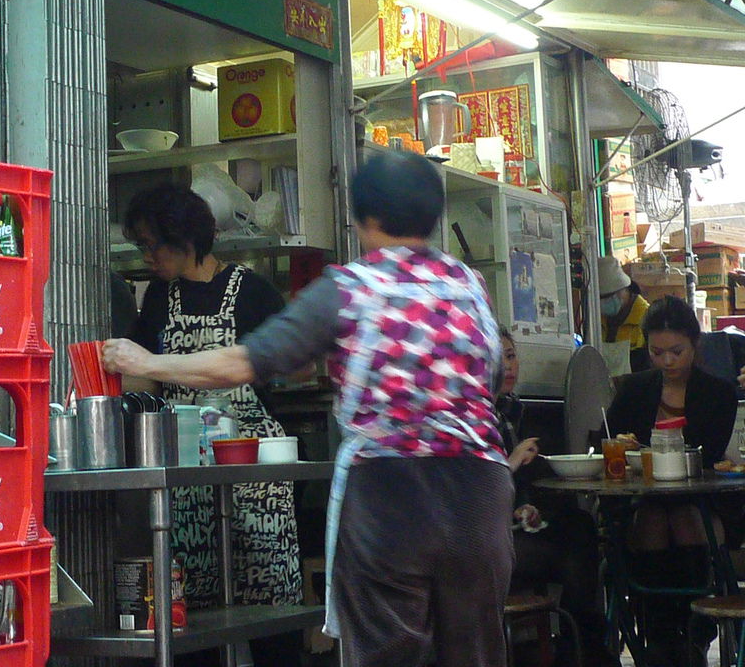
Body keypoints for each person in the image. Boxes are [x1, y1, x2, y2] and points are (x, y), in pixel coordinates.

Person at [105, 151, 514, 667]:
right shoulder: (471, 286)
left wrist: (148, 361)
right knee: (476, 652)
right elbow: (491, 377)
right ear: (433, 216)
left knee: (389, 651)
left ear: (363, 218)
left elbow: (243, 363)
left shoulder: (348, 288)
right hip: (480, 493)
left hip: (393, 495)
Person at [121, 182, 302, 667]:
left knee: (268, 599)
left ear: (182, 237)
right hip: (186, 473)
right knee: (191, 607)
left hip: (252, 472)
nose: (146, 255)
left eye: (149, 242)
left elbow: (291, 364)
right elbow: (146, 377)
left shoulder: (252, 291)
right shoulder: (159, 298)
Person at [607, 294, 738, 667]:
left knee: (680, 516)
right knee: (652, 517)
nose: (667, 361)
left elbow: (709, 452)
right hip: (642, 499)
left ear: (695, 344)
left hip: (698, 499)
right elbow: (606, 440)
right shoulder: (633, 390)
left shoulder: (718, 393)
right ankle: (661, 632)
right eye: (657, 352)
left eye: (676, 351)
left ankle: (693, 631)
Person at [497, 331, 616, 667]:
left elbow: (510, 493)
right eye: (497, 357)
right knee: (573, 548)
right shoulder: (473, 417)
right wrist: (511, 463)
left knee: (579, 524)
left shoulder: (508, 410)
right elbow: (472, 494)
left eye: (511, 355)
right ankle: (582, 646)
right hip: (476, 543)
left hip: (506, 529)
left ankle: (580, 644)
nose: (508, 366)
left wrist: (524, 508)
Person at [597, 255, 648, 368]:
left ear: (623, 290)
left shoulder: (646, 318)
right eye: (599, 299)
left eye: (606, 297)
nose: (602, 303)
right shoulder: (596, 320)